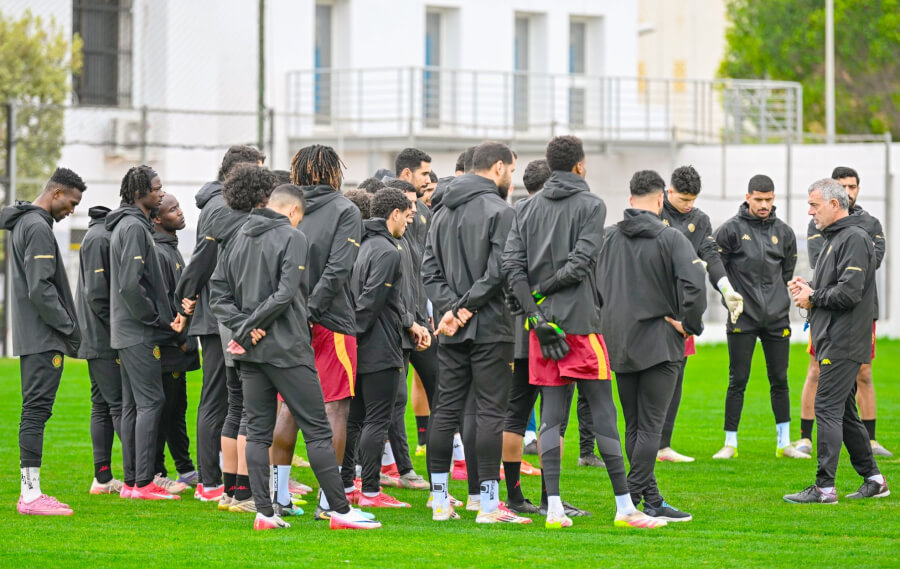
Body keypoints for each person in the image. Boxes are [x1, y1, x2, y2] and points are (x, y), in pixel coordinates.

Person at [504, 140, 661, 530]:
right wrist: (543, 295)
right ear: (579, 166)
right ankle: (625, 508)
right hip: (581, 327)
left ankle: (554, 509)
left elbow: (512, 267)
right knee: (605, 416)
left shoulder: (524, 209)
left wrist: (537, 315)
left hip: (542, 331)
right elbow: (580, 263)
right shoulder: (592, 205)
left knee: (551, 418)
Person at [209, 184, 381, 530]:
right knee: (318, 428)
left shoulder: (237, 235)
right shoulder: (292, 237)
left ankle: (265, 512)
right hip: (288, 348)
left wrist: (243, 328)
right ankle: (340, 511)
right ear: (292, 212)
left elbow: (218, 294)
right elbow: (287, 293)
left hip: (251, 352)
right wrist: (251, 326)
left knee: (258, 432)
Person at [424, 141, 529, 524]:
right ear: (498, 167)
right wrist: (464, 309)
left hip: (451, 328)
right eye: (512, 170)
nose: (511, 177)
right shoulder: (501, 211)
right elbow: (500, 270)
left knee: (446, 408)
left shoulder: (440, 211)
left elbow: (428, 271)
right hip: (489, 326)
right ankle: (487, 505)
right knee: (489, 412)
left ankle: (439, 502)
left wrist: (450, 310)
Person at [597, 169, 706, 523]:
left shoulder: (607, 238)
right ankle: (627, 500)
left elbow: (595, 286)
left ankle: (652, 500)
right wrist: (690, 325)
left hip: (620, 342)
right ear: (661, 200)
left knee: (634, 425)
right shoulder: (671, 237)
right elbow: (695, 285)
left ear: (630, 200)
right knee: (651, 429)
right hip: (660, 343)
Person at [784, 178, 887, 504]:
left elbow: (850, 292)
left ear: (834, 204)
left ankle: (825, 487)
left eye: (814, 204)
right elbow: (833, 285)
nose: (810, 211)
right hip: (832, 336)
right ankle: (874, 479)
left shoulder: (855, 238)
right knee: (843, 412)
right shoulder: (835, 238)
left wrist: (814, 298)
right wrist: (808, 288)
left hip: (844, 339)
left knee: (826, 407)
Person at [174, 145, 265, 502]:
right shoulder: (221, 207)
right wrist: (187, 301)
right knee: (219, 400)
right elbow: (202, 261)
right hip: (219, 318)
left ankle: (229, 482)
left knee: (231, 401)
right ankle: (212, 482)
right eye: (257, 171)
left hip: (220, 313)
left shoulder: (223, 205)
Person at [1, 168, 85, 515]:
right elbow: (40, 289)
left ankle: (31, 492)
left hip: (35, 335)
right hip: (42, 337)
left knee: (35, 411)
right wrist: (69, 328)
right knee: (35, 412)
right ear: (56, 193)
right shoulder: (36, 227)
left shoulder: (26, 222)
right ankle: (31, 496)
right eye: (72, 202)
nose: (73, 210)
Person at [289, 145, 363, 520]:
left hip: (287, 319)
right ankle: (328, 501)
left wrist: (292, 310)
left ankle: (278, 493)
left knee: (287, 405)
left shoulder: (286, 204)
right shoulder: (345, 210)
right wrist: (312, 310)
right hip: (331, 320)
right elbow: (338, 269)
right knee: (335, 408)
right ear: (334, 171)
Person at [342, 188, 428, 507]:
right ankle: (371, 492)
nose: (409, 222)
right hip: (379, 347)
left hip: (359, 347)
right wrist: (358, 333)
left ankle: (348, 486)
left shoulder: (358, 245)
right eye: (406, 216)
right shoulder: (387, 251)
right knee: (377, 420)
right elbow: (372, 302)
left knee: (355, 420)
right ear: (393, 214)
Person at [711, 175, 806, 459]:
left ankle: (784, 444)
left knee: (780, 379)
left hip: (777, 318)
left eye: (768, 199)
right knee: (737, 379)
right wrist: (730, 299)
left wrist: (777, 300)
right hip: (743, 317)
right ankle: (730, 443)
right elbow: (717, 270)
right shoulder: (729, 230)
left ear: (773, 198)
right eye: (758, 199)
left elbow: (786, 273)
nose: (764, 205)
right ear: (748, 197)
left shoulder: (785, 233)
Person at [656, 165, 740, 463]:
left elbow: (711, 256)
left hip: (683, 311)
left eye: (692, 199)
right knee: (651, 377)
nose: (688, 204)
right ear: (669, 192)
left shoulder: (699, 220)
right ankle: (644, 442)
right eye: (683, 199)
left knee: (676, 377)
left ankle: (662, 447)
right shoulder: (654, 213)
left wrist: (726, 288)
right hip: (653, 309)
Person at [106, 165, 179, 501]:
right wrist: (154, 320)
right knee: (152, 401)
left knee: (136, 405)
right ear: (140, 193)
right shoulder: (133, 227)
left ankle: (134, 483)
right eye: (157, 188)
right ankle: (144, 482)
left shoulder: (128, 225)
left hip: (127, 331)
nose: (161, 193)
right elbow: (130, 285)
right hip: (138, 332)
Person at [376, 178, 432, 491]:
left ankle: (381, 472)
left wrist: (418, 319)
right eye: (408, 206)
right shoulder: (385, 246)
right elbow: (387, 296)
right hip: (392, 333)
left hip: (407, 328)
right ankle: (366, 480)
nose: (414, 211)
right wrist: (410, 321)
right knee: (384, 406)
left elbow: (409, 289)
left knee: (393, 402)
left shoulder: (403, 241)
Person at [152, 194, 201, 492]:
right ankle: (156, 472)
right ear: (157, 219)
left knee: (176, 410)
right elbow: (163, 303)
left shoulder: (171, 248)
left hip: (179, 346)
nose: (180, 213)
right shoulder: (159, 252)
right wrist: (179, 338)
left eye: (179, 207)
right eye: (172, 210)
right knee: (163, 412)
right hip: (169, 347)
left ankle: (184, 468)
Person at [75, 205, 125, 496]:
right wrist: (116, 327)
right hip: (103, 338)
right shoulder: (99, 238)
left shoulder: (99, 235)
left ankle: (103, 477)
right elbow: (96, 293)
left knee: (103, 404)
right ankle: (137, 478)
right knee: (116, 404)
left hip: (98, 336)